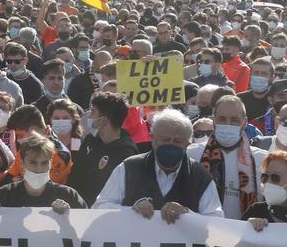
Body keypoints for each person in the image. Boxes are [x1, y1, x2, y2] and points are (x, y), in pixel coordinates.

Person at [94, 109, 223, 222]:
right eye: (165, 140)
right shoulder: (129, 168)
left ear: (187, 144)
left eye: (177, 141)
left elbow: (216, 220)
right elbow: (100, 206)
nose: (171, 145)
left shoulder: (200, 176)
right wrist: (130, 210)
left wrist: (187, 214)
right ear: (152, 139)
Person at [190, 95, 266, 219]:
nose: (228, 124)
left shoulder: (261, 159)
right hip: (204, 233)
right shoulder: (193, 154)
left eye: (234, 120)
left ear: (244, 122)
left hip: (245, 234)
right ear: (213, 120)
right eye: (222, 119)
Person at [0, 132, 87, 212]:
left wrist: (70, 215)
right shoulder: (2, 196)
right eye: (33, 163)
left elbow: (86, 227)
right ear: (22, 164)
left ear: (51, 164)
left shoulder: (68, 196)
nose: (38, 169)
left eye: (44, 163)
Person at [67, 91, 138, 206]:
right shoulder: (90, 140)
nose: (89, 116)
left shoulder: (126, 153)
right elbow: (75, 176)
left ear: (103, 120)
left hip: (103, 216)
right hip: (79, 212)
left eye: (93, 112)